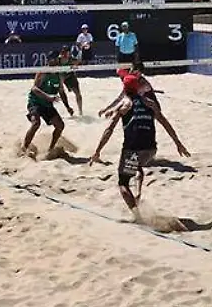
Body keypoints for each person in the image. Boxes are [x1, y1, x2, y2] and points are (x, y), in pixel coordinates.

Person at [89, 73, 190, 222]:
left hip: (133, 150)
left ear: (124, 88)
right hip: (151, 150)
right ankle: (138, 192)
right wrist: (178, 143)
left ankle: (138, 216)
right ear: (138, 87)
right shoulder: (150, 103)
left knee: (123, 184)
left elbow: (109, 130)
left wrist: (97, 151)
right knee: (137, 167)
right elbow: (165, 123)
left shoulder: (125, 104)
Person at [22, 58, 66, 156]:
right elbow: (34, 89)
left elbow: (61, 91)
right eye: (52, 62)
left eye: (55, 62)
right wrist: (48, 97)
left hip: (47, 105)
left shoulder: (59, 75)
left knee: (60, 126)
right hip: (35, 102)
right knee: (36, 123)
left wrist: (68, 107)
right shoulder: (43, 72)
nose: (53, 64)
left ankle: (50, 149)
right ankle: (24, 148)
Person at [57, 46, 83, 117]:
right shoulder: (58, 60)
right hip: (61, 75)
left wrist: (80, 51)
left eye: (66, 52)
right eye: (63, 52)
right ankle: (68, 108)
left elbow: (79, 61)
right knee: (60, 90)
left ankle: (80, 111)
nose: (64, 54)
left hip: (70, 76)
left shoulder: (72, 59)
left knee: (78, 93)